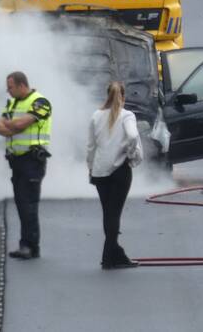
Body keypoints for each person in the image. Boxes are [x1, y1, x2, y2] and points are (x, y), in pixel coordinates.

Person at [0, 71, 52, 260]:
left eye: (10, 87)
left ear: (21, 85)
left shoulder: (40, 102)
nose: (8, 91)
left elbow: (19, 125)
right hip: (16, 160)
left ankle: (30, 245)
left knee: (29, 204)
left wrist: (11, 125)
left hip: (32, 160)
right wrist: (14, 125)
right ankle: (25, 243)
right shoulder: (11, 103)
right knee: (20, 203)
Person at [87, 81, 143, 270]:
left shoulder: (96, 116)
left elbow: (90, 147)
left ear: (107, 95)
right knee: (114, 213)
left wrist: (90, 167)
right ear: (123, 97)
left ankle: (115, 253)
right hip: (120, 171)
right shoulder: (127, 115)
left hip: (100, 171)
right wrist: (131, 153)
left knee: (107, 212)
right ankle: (109, 257)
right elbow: (133, 136)